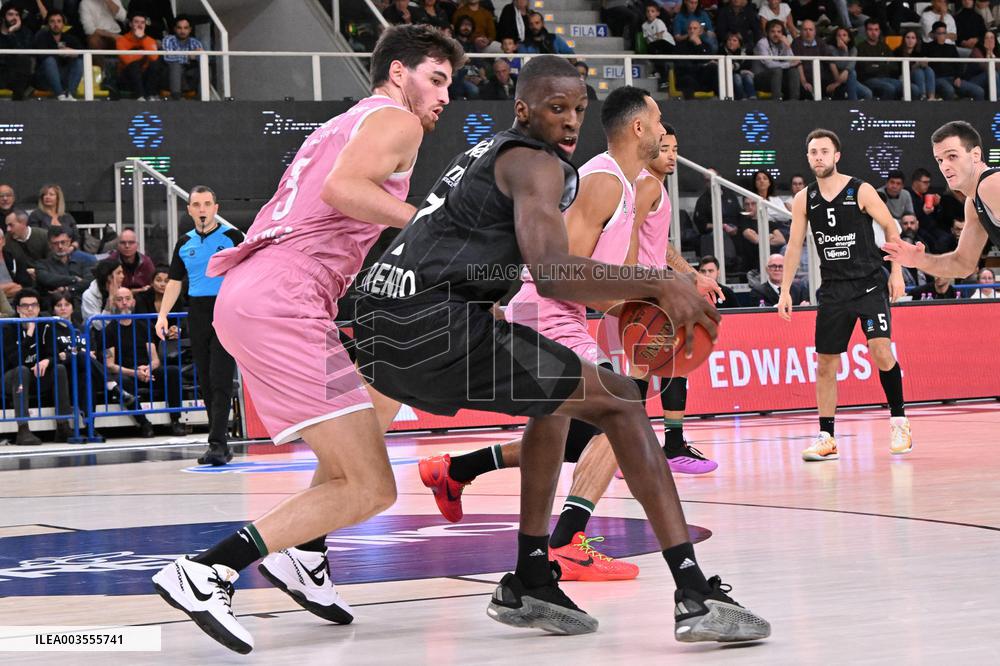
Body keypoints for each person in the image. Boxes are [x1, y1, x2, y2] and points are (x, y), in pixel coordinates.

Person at [353, 55, 769, 643]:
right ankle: (694, 592)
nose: (571, 121)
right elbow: (551, 272)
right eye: (557, 109)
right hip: (432, 324)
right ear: (523, 109)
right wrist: (657, 283)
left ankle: (530, 576)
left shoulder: (492, 153)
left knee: (552, 403)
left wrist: (645, 285)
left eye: (578, 109)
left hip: (385, 324)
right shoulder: (540, 164)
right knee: (621, 403)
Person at [150, 25, 464, 654]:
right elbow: (342, 192)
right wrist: (434, 225)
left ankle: (305, 553)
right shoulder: (394, 121)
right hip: (282, 300)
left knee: (374, 407)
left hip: (262, 291)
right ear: (398, 73)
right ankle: (207, 570)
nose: (444, 97)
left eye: (450, 85)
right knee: (373, 486)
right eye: (436, 79)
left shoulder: (344, 122)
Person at [419, 87, 669, 580]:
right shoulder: (603, 181)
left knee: (572, 435)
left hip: (564, 314)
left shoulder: (629, 183)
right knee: (622, 409)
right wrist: (651, 298)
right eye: (659, 120)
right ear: (639, 127)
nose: (665, 130)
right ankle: (567, 542)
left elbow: (610, 270)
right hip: (546, 309)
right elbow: (564, 273)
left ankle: (457, 471)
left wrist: (655, 296)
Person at [779, 129, 911, 462]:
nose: (818, 156)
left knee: (880, 350)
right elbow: (795, 246)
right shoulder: (803, 199)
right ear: (808, 158)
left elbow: (892, 228)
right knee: (825, 364)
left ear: (837, 156)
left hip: (868, 284)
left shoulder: (861, 190)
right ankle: (827, 436)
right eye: (813, 152)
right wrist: (784, 291)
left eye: (824, 151)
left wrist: (896, 272)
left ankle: (899, 421)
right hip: (834, 290)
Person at [154, 187, 242, 466]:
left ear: (216, 207)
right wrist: (162, 315)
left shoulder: (233, 238)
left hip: (225, 310)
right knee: (204, 378)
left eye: (207, 204)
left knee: (220, 376)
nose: (202, 209)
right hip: (198, 311)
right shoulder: (184, 242)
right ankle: (221, 442)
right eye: (196, 205)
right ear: (189, 210)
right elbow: (175, 282)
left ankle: (217, 443)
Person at [884, 121, 1000, 315]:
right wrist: (918, 260)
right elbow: (962, 264)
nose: (945, 166)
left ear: (975, 155)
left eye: (952, 156)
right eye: (940, 160)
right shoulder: (973, 202)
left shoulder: (990, 185)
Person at [103, 286, 185, 437]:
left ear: (133, 301)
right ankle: (144, 423)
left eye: (128, 299)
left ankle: (176, 420)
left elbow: (155, 359)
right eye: (120, 300)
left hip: (147, 371)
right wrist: (135, 373)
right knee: (124, 382)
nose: (125, 303)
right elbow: (110, 365)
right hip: (127, 372)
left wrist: (147, 368)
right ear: (114, 303)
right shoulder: (109, 330)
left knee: (172, 372)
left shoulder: (143, 325)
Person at [3, 288, 73, 446]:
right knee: (22, 370)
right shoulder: (8, 327)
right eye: (25, 305)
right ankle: (23, 429)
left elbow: (55, 353)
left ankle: (63, 426)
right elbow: (16, 360)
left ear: (39, 308)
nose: (30, 309)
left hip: (35, 376)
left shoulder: (46, 325)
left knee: (59, 369)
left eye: (34, 305)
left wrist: (47, 360)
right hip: (11, 378)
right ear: (17, 308)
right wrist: (29, 333)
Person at [925, 20, 985, 100]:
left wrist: (958, 77)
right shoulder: (927, 47)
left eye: (944, 33)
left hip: (953, 78)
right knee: (949, 90)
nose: (942, 35)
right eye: (939, 33)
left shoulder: (951, 48)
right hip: (937, 79)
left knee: (979, 91)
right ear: (934, 34)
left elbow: (959, 64)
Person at [32, 11, 84, 101]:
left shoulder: (71, 39)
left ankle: (70, 95)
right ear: (48, 24)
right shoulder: (41, 36)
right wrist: (59, 52)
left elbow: (82, 55)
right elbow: (41, 57)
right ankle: (60, 95)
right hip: (44, 78)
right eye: (52, 21)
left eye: (59, 21)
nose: (56, 24)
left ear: (63, 24)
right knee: (50, 60)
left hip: (64, 78)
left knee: (79, 61)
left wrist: (72, 52)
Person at [115, 14, 162, 101]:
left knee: (155, 63)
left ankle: (150, 95)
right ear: (130, 24)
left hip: (145, 76)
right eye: (136, 22)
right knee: (134, 64)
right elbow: (126, 60)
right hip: (127, 77)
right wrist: (142, 55)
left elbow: (154, 58)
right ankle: (140, 96)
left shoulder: (149, 40)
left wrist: (143, 38)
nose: (140, 25)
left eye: (142, 23)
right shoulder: (122, 40)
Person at [35, 228, 91, 298]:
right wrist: (74, 279)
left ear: (69, 242)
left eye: (63, 242)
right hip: (53, 305)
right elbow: (46, 279)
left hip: (80, 304)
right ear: (49, 245)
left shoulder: (83, 262)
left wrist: (67, 289)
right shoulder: (41, 264)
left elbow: (89, 282)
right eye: (55, 243)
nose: (60, 246)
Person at [753, 19, 799, 100]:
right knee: (777, 70)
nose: (776, 34)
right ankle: (776, 101)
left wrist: (788, 46)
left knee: (793, 70)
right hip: (760, 78)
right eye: (773, 31)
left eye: (779, 32)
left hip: (777, 78)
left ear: (782, 33)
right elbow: (769, 64)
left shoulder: (783, 42)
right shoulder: (762, 43)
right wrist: (788, 64)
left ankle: (794, 101)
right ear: (767, 33)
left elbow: (792, 61)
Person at [161, 15, 203, 100]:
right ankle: (176, 97)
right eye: (179, 28)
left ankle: (203, 97)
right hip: (169, 74)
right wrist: (188, 57)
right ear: (175, 29)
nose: (182, 31)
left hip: (187, 74)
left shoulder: (195, 42)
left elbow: (203, 60)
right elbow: (168, 57)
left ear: (190, 29)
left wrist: (199, 56)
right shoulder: (168, 39)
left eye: (186, 28)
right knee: (176, 64)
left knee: (203, 66)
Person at [0, 2, 34, 100]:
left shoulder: (26, 33)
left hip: (15, 75)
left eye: (17, 15)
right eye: (10, 14)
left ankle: (17, 104)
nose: (14, 17)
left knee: (23, 59)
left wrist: (11, 33)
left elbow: (24, 54)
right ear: (3, 17)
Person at [894, 28, 937, 100]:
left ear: (916, 40)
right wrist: (914, 66)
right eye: (908, 37)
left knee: (928, 69)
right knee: (918, 71)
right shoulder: (897, 52)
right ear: (903, 39)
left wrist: (924, 64)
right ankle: (922, 96)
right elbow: (897, 71)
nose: (910, 40)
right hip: (902, 77)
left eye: (913, 38)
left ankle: (931, 97)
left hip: (918, 76)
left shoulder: (919, 52)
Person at [108, 228, 155, 292]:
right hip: (118, 299)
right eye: (123, 242)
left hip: (144, 298)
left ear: (137, 245)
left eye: (131, 242)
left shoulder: (146, 262)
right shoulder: (110, 262)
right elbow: (109, 289)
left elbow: (154, 285)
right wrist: (137, 291)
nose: (127, 246)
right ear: (118, 245)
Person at [81, 258, 123, 326]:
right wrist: (110, 300)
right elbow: (98, 325)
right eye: (119, 273)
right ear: (109, 277)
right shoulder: (88, 295)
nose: (122, 276)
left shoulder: (122, 292)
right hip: (96, 334)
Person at [642, 2, 674, 84]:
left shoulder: (659, 22)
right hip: (656, 46)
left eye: (652, 11)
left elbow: (660, 37)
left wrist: (653, 39)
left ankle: (661, 74)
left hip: (668, 45)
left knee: (656, 45)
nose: (650, 13)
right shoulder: (644, 25)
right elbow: (647, 39)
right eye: (648, 11)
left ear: (657, 13)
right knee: (652, 49)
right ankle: (662, 76)